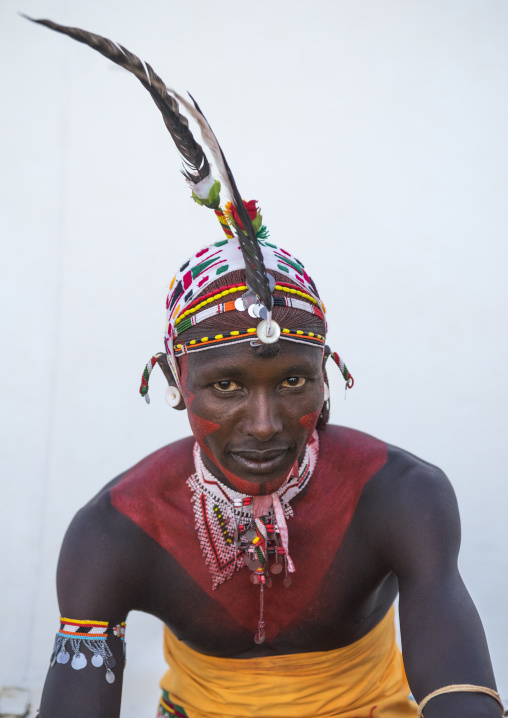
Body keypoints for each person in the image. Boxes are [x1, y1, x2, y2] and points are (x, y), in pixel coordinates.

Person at [30, 17, 503, 718]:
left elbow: (463, 700)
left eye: (292, 381)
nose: (264, 424)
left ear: (327, 372)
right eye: (225, 385)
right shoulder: (118, 528)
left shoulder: (400, 496)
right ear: (173, 380)